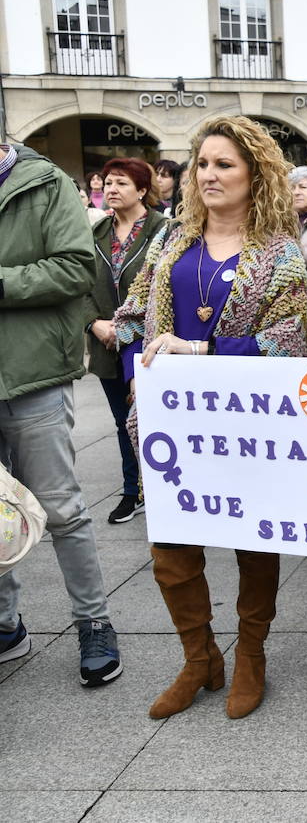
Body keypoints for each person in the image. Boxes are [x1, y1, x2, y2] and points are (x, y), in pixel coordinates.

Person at [114, 115, 307, 719]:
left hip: (246, 427)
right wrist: (138, 373)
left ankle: (250, 654)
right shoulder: (171, 242)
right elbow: (130, 317)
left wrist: (203, 350)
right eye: (203, 164)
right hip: (172, 424)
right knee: (172, 552)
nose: (209, 175)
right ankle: (199, 658)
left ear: (256, 175)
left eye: (225, 164)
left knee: (254, 543)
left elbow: (292, 340)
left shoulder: (280, 253)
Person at [0, 141, 123, 687]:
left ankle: (94, 623)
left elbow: (76, 270)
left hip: (34, 375)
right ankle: (6, 625)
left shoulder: (43, 181)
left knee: (63, 511)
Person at [83, 157, 169, 524]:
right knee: (123, 422)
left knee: (157, 418)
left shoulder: (163, 230)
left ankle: (167, 489)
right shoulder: (97, 231)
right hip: (107, 344)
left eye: (120, 184)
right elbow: (79, 283)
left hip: (149, 344)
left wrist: (131, 328)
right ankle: (132, 492)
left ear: (143, 190)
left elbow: (165, 288)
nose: (110, 190)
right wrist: (94, 323)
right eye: (107, 183)